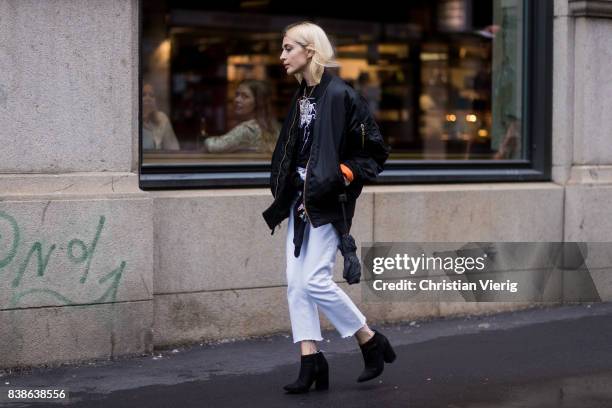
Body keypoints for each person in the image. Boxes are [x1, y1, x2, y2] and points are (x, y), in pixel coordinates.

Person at [262, 21, 395, 394]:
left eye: (289, 48)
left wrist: (343, 173)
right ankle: (310, 361)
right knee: (296, 284)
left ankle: (370, 340)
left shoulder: (340, 95)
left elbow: (375, 151)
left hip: (326, 201)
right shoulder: (302, 97)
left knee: (314, 280)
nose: (282, 56)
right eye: (283, 48)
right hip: (297, 200)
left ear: (310, 51)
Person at [202, 80, 280, 154]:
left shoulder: (247, 129)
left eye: (245, 96)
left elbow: (214, 146)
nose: (237, 100)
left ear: (258, 102)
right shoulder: (273, 126)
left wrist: (205, 140)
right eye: (237, 95)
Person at [142, 83, 180, 151]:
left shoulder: (162, 118)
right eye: (143, 95)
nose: (148, 98)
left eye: (152, 95)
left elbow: (173, 149)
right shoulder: (131, 119)